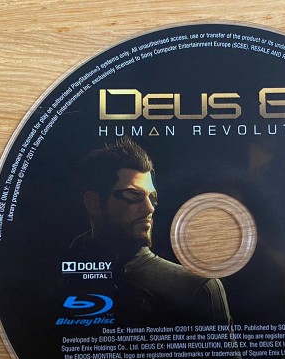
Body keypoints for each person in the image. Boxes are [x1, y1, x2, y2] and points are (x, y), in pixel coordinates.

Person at [70, 137, 232, 326]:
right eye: (134, 195)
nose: (149, 208)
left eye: (152, 198)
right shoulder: (57, 278)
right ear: (93, 202)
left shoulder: (196, 289)